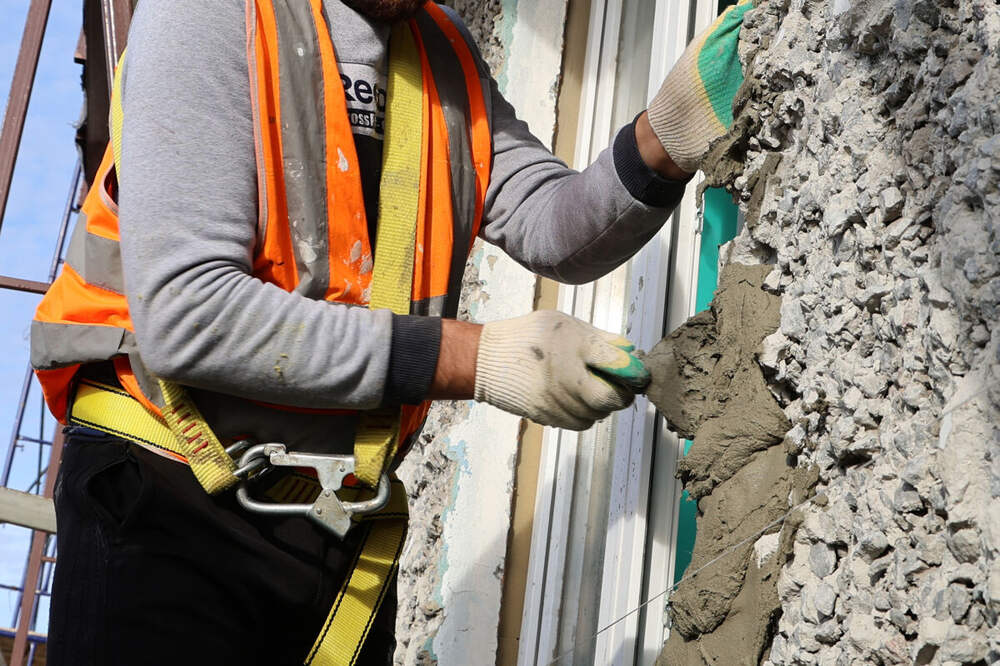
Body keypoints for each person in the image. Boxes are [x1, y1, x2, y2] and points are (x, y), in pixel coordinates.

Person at [31, 0, 750, 663]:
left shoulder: (440, 50)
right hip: (168, 496)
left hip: (334, 526)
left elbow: (552, 226)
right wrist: (475, 358)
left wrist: (665, 136)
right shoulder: (210, 14)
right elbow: (190, 316)